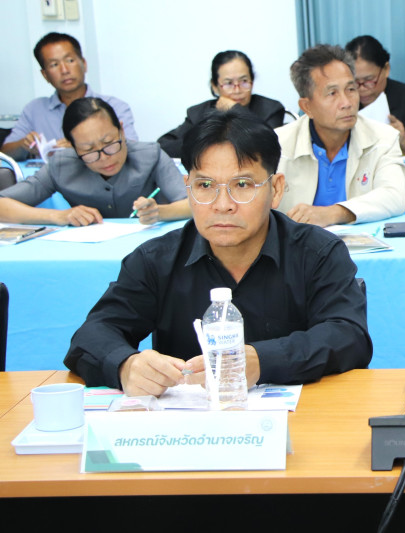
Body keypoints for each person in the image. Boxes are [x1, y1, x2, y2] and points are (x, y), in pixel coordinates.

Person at [64, 108, 372, 396]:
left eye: (242, 184)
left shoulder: (318, 253)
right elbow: (92, 335)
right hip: (189, 425)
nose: (222, 205)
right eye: (205, 186)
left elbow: (348, 336)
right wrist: (125, 365)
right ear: (188, 188)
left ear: (276, 189)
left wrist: (262, 361)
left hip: (298, 421)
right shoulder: (156, 260)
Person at [275, 44, 405, 227]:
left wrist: (333, 213)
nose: (346, 103)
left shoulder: (383, 138)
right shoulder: (277, 145)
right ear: (307, 107)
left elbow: (396, 195)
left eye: (351, 89)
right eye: (332, 93)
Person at [0, 97, 188, 226]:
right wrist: (58, 216)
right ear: (73, 147)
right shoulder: (61, 165)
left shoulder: (150, 155)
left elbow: (193, 203)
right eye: (88, 150)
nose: (104, 157)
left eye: (109, 143)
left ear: (121, 131)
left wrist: (159, 212)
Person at [2, 32, 137, 161]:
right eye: (54, 65)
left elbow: (133, 151)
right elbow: (5, 153)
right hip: (48, 177)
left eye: (70, 60)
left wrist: (83, 148)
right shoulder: (34, 109)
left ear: (84, 64)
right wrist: (24, 145)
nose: (64, 70)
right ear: (45, 75)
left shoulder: (114, 106)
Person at [158, 50, 286, 158]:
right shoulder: (199, 112)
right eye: (228, 83)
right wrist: (209, 140)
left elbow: (267, 147)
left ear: (252, 81)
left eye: (244, 81)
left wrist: (235, 109)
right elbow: (164, 146)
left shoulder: (271, 109)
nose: (237, 90)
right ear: (215, 86)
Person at [345, 35, 405, 155]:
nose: (362, 89)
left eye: (369, 80)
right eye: (354, 82)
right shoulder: (343, 101)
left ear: (386, 69)